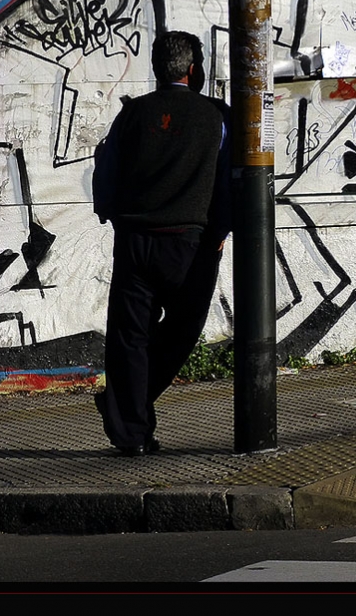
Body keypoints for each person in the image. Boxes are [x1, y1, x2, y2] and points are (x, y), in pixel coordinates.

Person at [93, 30, 231, 456]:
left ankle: (129, 429)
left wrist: (114, 217)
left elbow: (106, 167)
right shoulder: (218, 116)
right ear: (194, 69)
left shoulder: (132, 115)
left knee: (129, 337)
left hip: (135, 241)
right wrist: (220, 233)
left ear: (158, 68)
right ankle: (125, 411)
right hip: (191, 244)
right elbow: (230, 180)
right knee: (184, 330)